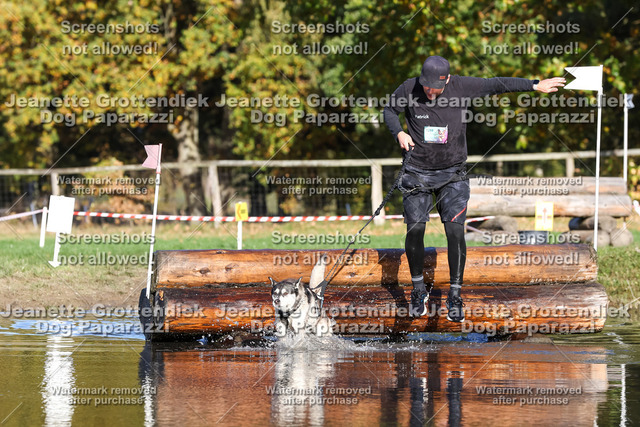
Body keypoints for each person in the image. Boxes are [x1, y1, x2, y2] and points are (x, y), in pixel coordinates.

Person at [383, 55, 565, 321]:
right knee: (416, 228)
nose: (430, 93)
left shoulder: (462, 86)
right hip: (417, 172)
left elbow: (496, 84)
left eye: (435, 88)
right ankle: (418, 289)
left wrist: (534, 85)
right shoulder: (409, 88)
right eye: (427, 87)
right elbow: (389, 110)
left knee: (455, 231)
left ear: (446, 80)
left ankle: (455, 295)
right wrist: (399, 132)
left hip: (453, 174)